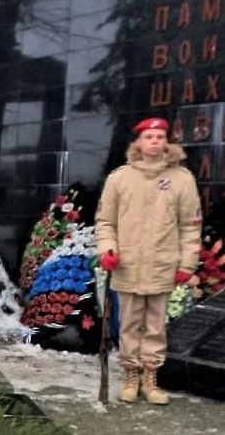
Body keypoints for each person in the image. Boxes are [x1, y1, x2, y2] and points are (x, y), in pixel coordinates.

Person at [95, 117, 202, 405]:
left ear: (166, 141)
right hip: (127, 264)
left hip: (162, 264)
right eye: (149, 137)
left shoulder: (182, 179)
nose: (154, 141)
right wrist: (107, 250)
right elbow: (105, 222)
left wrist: (186, 264)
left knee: (155, 325)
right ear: (138, 143)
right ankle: (131, 374)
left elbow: (190, 226)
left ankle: (150, 378)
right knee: (129, 323)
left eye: (159, 136)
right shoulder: (119, 178)